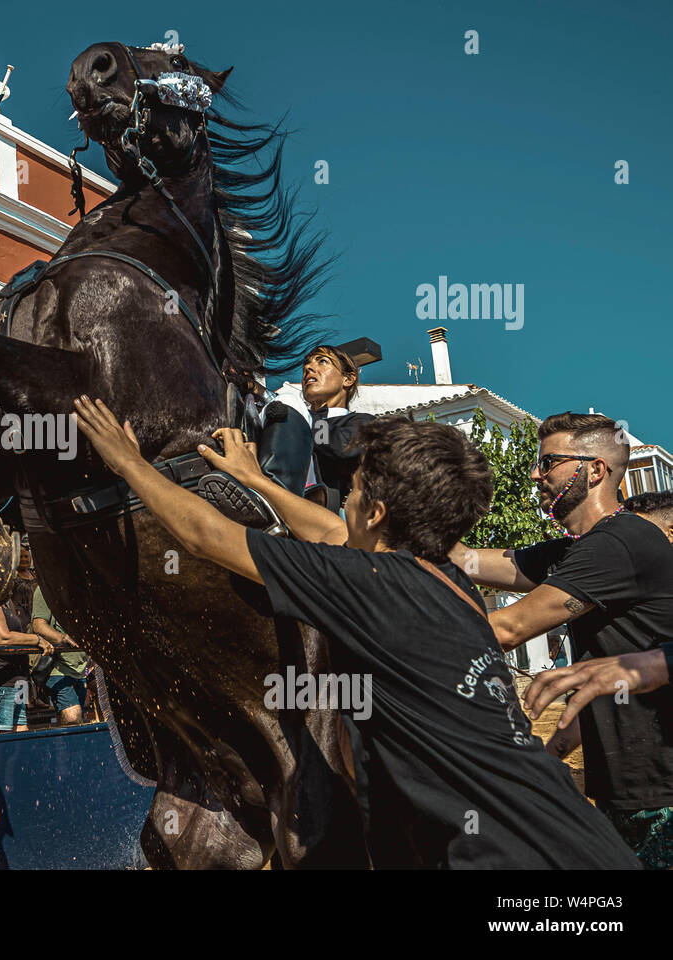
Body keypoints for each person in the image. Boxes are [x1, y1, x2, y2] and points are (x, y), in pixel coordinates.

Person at [72, 395, 639, 868]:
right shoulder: (443, 580)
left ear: (374, 513)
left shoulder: (369, 585)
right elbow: (326, 532)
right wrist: (253, 480)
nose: (345, 503)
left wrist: (128, 463)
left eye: (355, 490)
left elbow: (205, 535)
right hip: (580, 848)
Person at [455, 413, 673, 868]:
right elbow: (472, 561)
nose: (536, 473)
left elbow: (506, 629)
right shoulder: (576, 549)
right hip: (625, 788)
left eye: (548, 462)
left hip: (663, 794)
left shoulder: (620, 544)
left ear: (594, 470)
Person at [200, 344, 375, 521]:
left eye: (323, 361)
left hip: (319, 513)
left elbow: (335, 446)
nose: (308, 367)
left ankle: (270, 496)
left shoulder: (363, 421)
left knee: (287, 401)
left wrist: (301, 412)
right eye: (307, 363)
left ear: (348, 379)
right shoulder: (293, 413)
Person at [0, 590, 52, 735]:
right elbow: (2, 637)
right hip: (1, 683)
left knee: (21, 731)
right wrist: (36, 640)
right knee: (1, 738)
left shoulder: (7, 601)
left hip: (19, 680)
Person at [30, 586, 90, 725]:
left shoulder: (84, 589)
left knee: (77, 721)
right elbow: (38, 625)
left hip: (81, 669)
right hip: (57, 669)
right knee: (72, 717)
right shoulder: (45, 588)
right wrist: (63, 638)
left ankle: (65, 746)